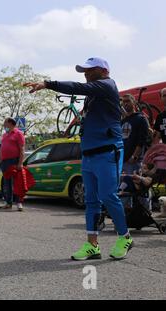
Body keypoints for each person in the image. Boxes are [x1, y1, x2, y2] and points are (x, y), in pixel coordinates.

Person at [24, 57, 133, 260]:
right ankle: (92, 245)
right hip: (89, 153)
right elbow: (86, 113)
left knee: (109, 196)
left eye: (89, 70)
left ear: (103, 71)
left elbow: (76, 87)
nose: (85, 73)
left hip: (107, 150)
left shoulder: (107, 85)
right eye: (84, 70)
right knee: (91, 200)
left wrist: (48, 84)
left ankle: (124, 237)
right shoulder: (93, 95)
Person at [0, 118, 25, 211]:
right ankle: (8, 203)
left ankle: (19, 203)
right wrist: (0, 158)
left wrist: (20, 163)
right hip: (5, 162)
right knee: (6, 184)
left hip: (14, 161)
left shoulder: (18, 134)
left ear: (10, 123)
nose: (4, 125)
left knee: (16, 183)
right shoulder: (5, 135)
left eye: (5, 123)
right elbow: (2, 148)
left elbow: (22, 149)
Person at [121, 94, 149, 174]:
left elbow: (142, 140)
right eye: (123, 102)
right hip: (122, 160)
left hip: (133, 161)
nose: (125, 103)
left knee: (133, 184)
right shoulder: (122, 121)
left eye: (128, 101)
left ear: (134, 102)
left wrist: (134, 156)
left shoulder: (140, 119)